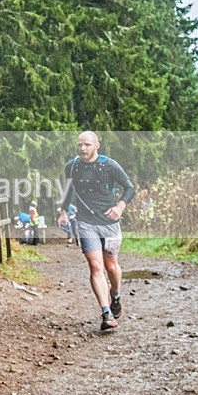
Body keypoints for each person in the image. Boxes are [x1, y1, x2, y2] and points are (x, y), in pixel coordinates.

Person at [59, 131, 135, 331]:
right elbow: (68, 190)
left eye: (87, 145)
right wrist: (63, 211)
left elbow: (129, 187)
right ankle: (106, 313)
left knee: (111, 266)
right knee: (95, 266)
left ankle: (115, 296)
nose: (82, 148)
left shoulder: (109, 165)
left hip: (109, 223)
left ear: (96, 146)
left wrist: (120, 207)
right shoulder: (72, 166)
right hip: (85, 223)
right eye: (80, 145)